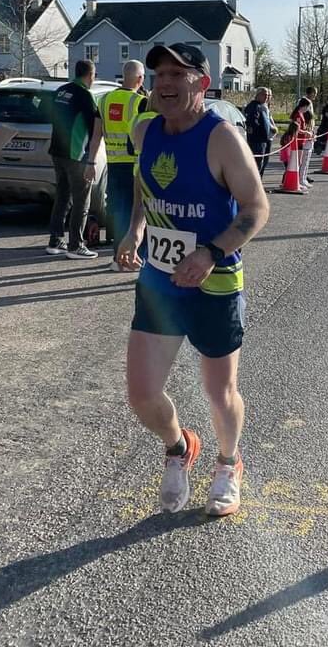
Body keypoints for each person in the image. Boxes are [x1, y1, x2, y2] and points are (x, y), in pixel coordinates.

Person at [116, 43, 270, 518]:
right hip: (160, 280)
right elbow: (147, 187)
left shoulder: (221, 137)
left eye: (178, 75)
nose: (164, 82)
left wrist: (211, 251)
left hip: (214, 281)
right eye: (160, 73)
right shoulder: (144, 131)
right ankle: (179, 445)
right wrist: (136, 229)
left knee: (218, 391)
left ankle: (229, 462)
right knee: (141, 394)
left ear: (202, 83)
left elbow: (257, 208)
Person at [85, 60, 146, 271]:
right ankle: (133, 258)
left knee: (118, 211)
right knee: (137, 212)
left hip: (113, 164)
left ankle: (117, 258)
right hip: (135, 165)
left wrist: (91, 162)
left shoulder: (104, 100)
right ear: (140, 79)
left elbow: (95, 137)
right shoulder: (140, 102)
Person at [46, 60, 99, 260]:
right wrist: (91, 158)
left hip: (56, 151)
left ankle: (56, 240)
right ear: (90, 74)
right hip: (75, 153)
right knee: (81, 200)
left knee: (62, 195)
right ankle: (76, 245)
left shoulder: (60, 91)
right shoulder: (85, 95)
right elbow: (95, 127)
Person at [243, 87, 272, 179]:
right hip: (257, 141)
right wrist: (260, 131)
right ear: (258, 95)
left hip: (262, 140)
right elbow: (252, 122)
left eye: (268, 95)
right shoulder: (255, 106)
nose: (266, 97)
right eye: (265, 95)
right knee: (256, 164)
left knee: (260, 163)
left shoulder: (261, 106)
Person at [289, 99, 314, 192]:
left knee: (300, 162)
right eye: (307, 107)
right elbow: (298, 129)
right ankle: (298, 181)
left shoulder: (300, 114)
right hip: (298, 141)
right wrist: (306, 132)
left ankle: (300, 180)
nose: (308, 109)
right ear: (304, 106)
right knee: (298, 162)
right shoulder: (298, 115)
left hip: (301, 140)